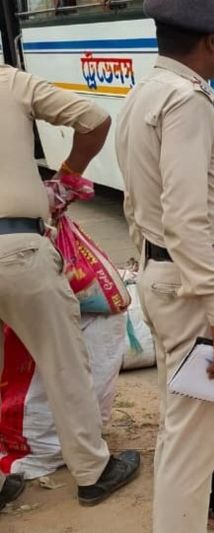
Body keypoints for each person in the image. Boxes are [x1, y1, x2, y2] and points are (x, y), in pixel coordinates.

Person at [114, 1, 214, 530]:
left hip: (168, 278)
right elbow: (186, 216)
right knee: (196, 442)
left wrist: (152, 268)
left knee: (181, 429)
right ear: (211, 41)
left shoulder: (145, 93)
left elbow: (136, 202)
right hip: (195, 290)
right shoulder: (186, 101)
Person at [0, 64, 141, 510]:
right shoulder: (10, 81)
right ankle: (93, 472)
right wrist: (66, 178)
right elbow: (93, 119)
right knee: (63, 363)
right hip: (16, 249)